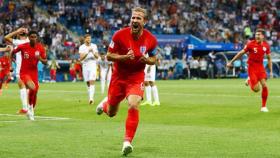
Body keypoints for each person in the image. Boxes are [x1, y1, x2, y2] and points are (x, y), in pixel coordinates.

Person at [96, 7, 157, 156]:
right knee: (111, 113)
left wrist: (147, 60)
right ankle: (105, 104)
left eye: (138, 18)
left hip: (136, 77)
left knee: (134, 104)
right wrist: (123, 57)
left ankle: (127, 142)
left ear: (145, 21)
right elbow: (108, 56)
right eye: (133, 18)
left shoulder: (151, 39)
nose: (134, 21)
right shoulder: (119, 35)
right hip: (119, 77)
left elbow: (154, 59)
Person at [226, 28, 272, 112]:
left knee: (264, 85)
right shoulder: (250, 44)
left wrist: (271, 71)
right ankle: (250, 79)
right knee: (256, 89)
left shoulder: (266, 46)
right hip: (252, 67)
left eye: (259, 35)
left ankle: (263, 106)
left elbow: (269, 58)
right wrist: (231, 61)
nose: (257, 36)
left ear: (263, 36)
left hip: (260, 67)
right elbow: (240, 53)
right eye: (256, 34)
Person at [12, 30, 47, 120]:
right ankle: (28, 108)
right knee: (32, 87)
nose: (33, 39)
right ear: (29, 37)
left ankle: (30, 108)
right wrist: (12, 61)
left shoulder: (40, 48)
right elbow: (12, 52)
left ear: (37, 38)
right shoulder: (23, 46)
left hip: (34, 73)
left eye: (35, 37)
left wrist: (40, 58)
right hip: (24, 72)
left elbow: (45, 62)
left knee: (35, 91)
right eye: (31, 37)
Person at [4, 27, 30, 114]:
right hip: (30, 68)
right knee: (27, 87)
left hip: (21, 69)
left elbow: (6, 37)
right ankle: (29, 107)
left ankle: (25, 108)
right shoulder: (30, 41)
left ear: (19, 34)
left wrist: (16, 31)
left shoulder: (18, 42)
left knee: (22, 86)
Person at [78, 34, 99, 105]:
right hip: (85, 65)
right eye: (87, 38)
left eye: (90, 38)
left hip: (93, 64)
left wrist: (92, 51)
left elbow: (97, 56)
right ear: (85, 39)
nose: (89, 40)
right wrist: (87, 52)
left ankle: (91, 99)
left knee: (92, 81)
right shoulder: (81, 47)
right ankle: (90, 97)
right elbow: (81, 58)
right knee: (87, 82)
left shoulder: (94, 46)